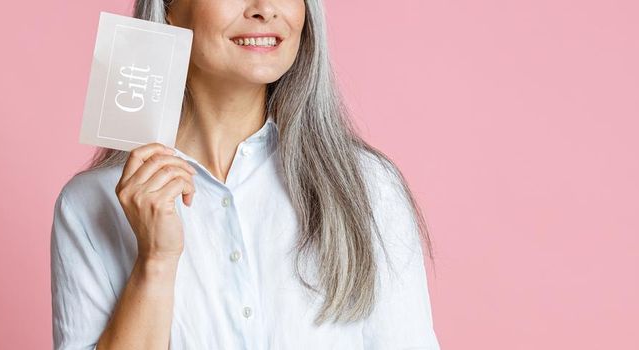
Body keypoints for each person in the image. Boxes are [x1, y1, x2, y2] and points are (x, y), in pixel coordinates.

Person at [51, 0, 439, 348]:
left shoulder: (368, 186)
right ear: (170, 7)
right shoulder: (90, 204)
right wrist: (155, 261)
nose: (265, 9)